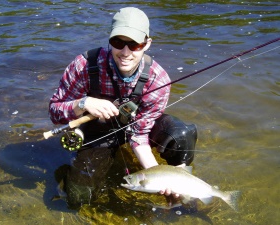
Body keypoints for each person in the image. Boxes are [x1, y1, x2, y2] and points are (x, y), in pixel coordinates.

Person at [49, 7, 197, 200]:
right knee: (78, 196)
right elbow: (54, 113)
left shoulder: (158, 80)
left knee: (181, 135)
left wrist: (159, 177)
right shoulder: (84, 66)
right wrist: (83, 103)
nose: (125, 52)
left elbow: (140, 133)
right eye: (118, 42)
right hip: (98, 135)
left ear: (147, 44)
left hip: (138, 130)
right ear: (109, 40)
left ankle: (184, 193)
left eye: (134, 44)